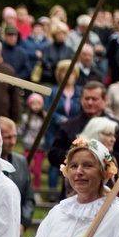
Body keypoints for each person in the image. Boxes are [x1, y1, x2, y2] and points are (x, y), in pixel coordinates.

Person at [44, 60, 82, 194]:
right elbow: (48, 110)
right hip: (55, 131)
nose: (69, 75)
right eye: (65, 72)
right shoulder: (54, 92)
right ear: (59, 74)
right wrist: (60, 119)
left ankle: (73, 190)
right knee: (55, 162)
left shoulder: (80, 92)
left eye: (71, 72)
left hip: (75, 133)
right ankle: (52, 192)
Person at [18, 93, 47, 192]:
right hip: (28, 146)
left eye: (38, 103)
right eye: (33, 103)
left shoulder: (44, 117)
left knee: (37, 171)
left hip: (40, 147)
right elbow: (21, 130)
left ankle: (37, 190)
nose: (36, 105)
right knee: (27, 168)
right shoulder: (25, 117)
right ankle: (25, 189)